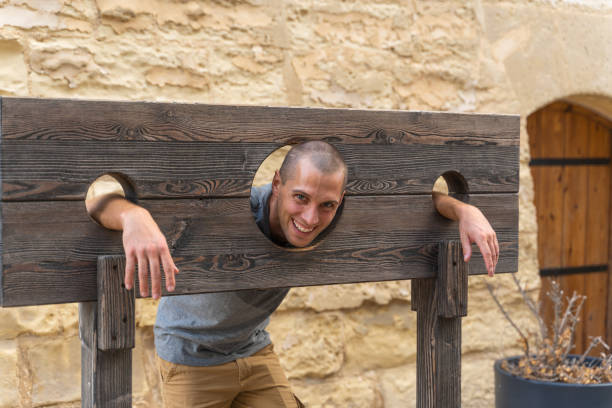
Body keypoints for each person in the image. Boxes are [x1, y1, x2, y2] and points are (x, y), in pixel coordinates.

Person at [87, 140, 498, 407]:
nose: (309, 217)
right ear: (278, 184)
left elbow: (414, 197)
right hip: (190, 354)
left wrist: (464, 209)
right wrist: (133, 215)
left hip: (252, 348)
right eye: (300, 197)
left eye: (326, 205)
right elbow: (96, 198)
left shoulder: (333, 216)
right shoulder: (235, 206)